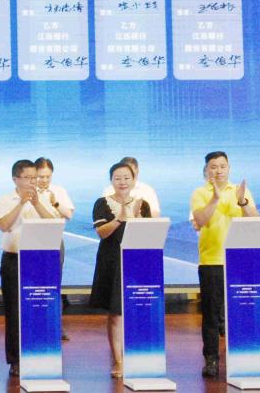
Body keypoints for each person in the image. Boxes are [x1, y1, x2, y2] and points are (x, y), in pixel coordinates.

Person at [190, 150, 259, 378]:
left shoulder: (241, 191)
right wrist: (215, 198)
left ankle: (243, 356)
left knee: (240, 310)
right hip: (212, 260)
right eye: (213, 166)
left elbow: (255, 220)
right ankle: (211, 359)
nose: (218, 170)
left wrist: (242, 201)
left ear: (229, 168)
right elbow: (201, 220)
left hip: (240, 260)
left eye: (222, 166)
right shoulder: (200, 193)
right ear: (206, 170)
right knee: (211, 314)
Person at [0, 159, 61, 377]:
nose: (33, 181)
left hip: (40, 260)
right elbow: (4, 225)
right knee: (14, 311)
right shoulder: (5, 199)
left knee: (39, 308)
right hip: (13, 260)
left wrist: (37, 204)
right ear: (15, 179)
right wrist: (21, 203)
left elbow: (54, 224)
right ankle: (15, 360)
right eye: (28, 178)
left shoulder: (44, 197)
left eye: (35, 177)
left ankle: (39, 354)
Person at [90, 161, 153, 379]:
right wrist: (120, 218)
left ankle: (138, 356)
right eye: (117, 178)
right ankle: (118, 360)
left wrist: (137, 218)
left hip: (137, 263)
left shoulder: (143, 204)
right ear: (111, 181)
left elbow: (149, 235)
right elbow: (102, 233)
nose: (122, 182)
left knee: (138, 310)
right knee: (116, 313)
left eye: (127, 177)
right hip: (112, 263)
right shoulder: (102, 203)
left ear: (134, 180)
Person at [34, 157, 74, 340]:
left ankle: (56, 327)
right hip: (31, 242)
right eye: (40, 176)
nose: (44, 180)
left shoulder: (59, 191)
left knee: (53, 286)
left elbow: (68, 214)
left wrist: (55, 202)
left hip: (54, 242)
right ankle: (34, 326)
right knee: (33, 286)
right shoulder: (28, 192)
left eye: (47, 176)